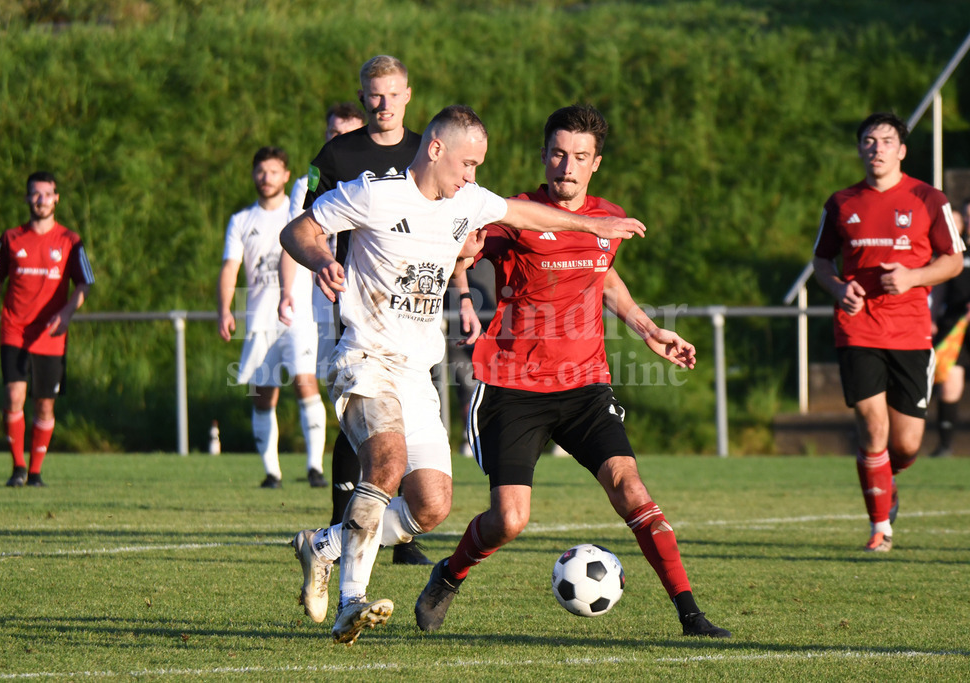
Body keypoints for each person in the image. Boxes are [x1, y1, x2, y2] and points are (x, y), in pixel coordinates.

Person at [281, 104, 646, 645]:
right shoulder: (374, 192)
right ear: (435, 150)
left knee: (431, 505)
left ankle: (327, 546)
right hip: (364, 357)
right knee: (387, 462)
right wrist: (322, 261)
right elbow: (299, 231)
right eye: (468, 164)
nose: (473, 178)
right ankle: (351, 601)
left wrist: (593, 224)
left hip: (415, 372)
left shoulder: (466, 200)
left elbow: (530, 216)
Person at [411, 105, 730, 640]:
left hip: (584, 383)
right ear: (544, 156)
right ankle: (450, 573)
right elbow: (462, 251)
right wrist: (463, 294)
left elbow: (604, 278)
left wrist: (650, 330)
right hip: (512, 385)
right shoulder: (514, 213)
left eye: (580, 157)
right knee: (509, 521)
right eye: (558, 154)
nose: (567, 165)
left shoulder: (608, 219)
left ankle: (690, 614)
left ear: (595, 163)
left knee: (629, 485)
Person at [282, 54, 479, 566]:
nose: (383, 102)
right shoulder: (335, 156)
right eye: (374, 93)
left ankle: (364, 536)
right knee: (366, 416)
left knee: (404, 422)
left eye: (393, 92)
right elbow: (308, 225)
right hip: (354, 300)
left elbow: (454, 232)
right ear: (364, 94)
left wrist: (461, 291)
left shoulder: (431, 150)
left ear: (408, 94)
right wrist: (323, 264)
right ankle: (344, 526)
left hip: (414, 304)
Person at [812, 112, 964, 552]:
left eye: (886, 140)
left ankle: (887, 480)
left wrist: (914, 278)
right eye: (869, 140)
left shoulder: (928, 199)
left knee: (906, 444)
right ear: (860, 149)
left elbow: (953, 260)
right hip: (857, 329)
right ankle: (881, 527)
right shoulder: (841, 203)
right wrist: (839, 287)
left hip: (912, 333)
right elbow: (821, 261)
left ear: (902, 151)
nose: (876, 147)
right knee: (872, 428)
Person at [217, 147, 327, 489]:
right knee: (263, 392)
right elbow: (230, 267)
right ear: (254, 175)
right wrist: (225, 309)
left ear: (285, 174)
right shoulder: (242, 220)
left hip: (298, 314)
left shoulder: (299, 213)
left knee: (304, 382)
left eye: (274, 171)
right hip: (261, 317)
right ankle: (272, 473)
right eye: (261, 171)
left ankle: (315, 468)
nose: (266, 178)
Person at [0, 171, 95, 487]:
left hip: (50, 335)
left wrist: (68, 313)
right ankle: (18, 467)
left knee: (44, 403)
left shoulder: (70, 241)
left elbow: (85, 283)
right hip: (14, 329)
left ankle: (35, 472)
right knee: (14, 395)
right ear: (27, 197)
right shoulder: (10, 238)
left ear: (57, 198)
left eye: (47, 193)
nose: (41, 199)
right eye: (35, 193)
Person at [288, 102, 367, 378]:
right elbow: (298, 237)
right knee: (336, 375)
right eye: (334, 132)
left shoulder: (374, 183)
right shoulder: (308, 184)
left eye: (348, 134)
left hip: (372, 291)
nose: (339, 141)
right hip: (328, 292)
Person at [930, 200, 970, 457]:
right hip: (955, 327)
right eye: (968, 216)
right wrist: (931, 318)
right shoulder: (955, 250)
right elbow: (939, 286)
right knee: (950, 383)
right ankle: (944, 446)